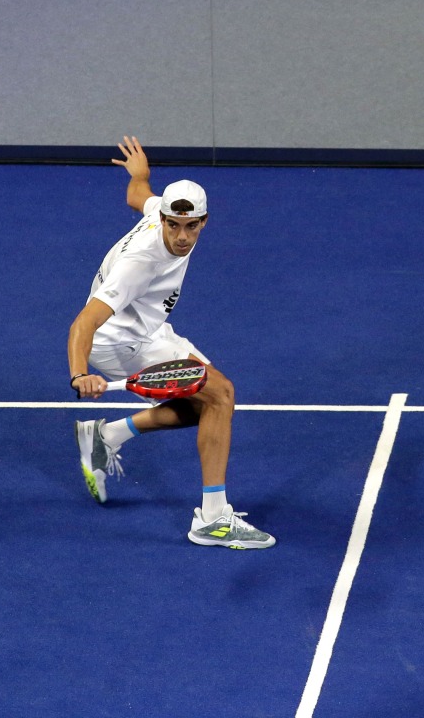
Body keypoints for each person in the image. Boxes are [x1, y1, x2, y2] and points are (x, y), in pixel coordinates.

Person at [67, 135, 275, 550]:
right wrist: (80, 374)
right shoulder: (140, 264)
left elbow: (137, 195)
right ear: (163, 220)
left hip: (149, 328)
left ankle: (107, 438)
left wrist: (140, 173)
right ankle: (213, 520)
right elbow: (84, 322)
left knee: (212, 405)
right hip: (117, 341)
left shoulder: (158, 210)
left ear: (204, 221)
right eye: (174, 226)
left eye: (191, 226)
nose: (181, 236)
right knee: (219, 397)